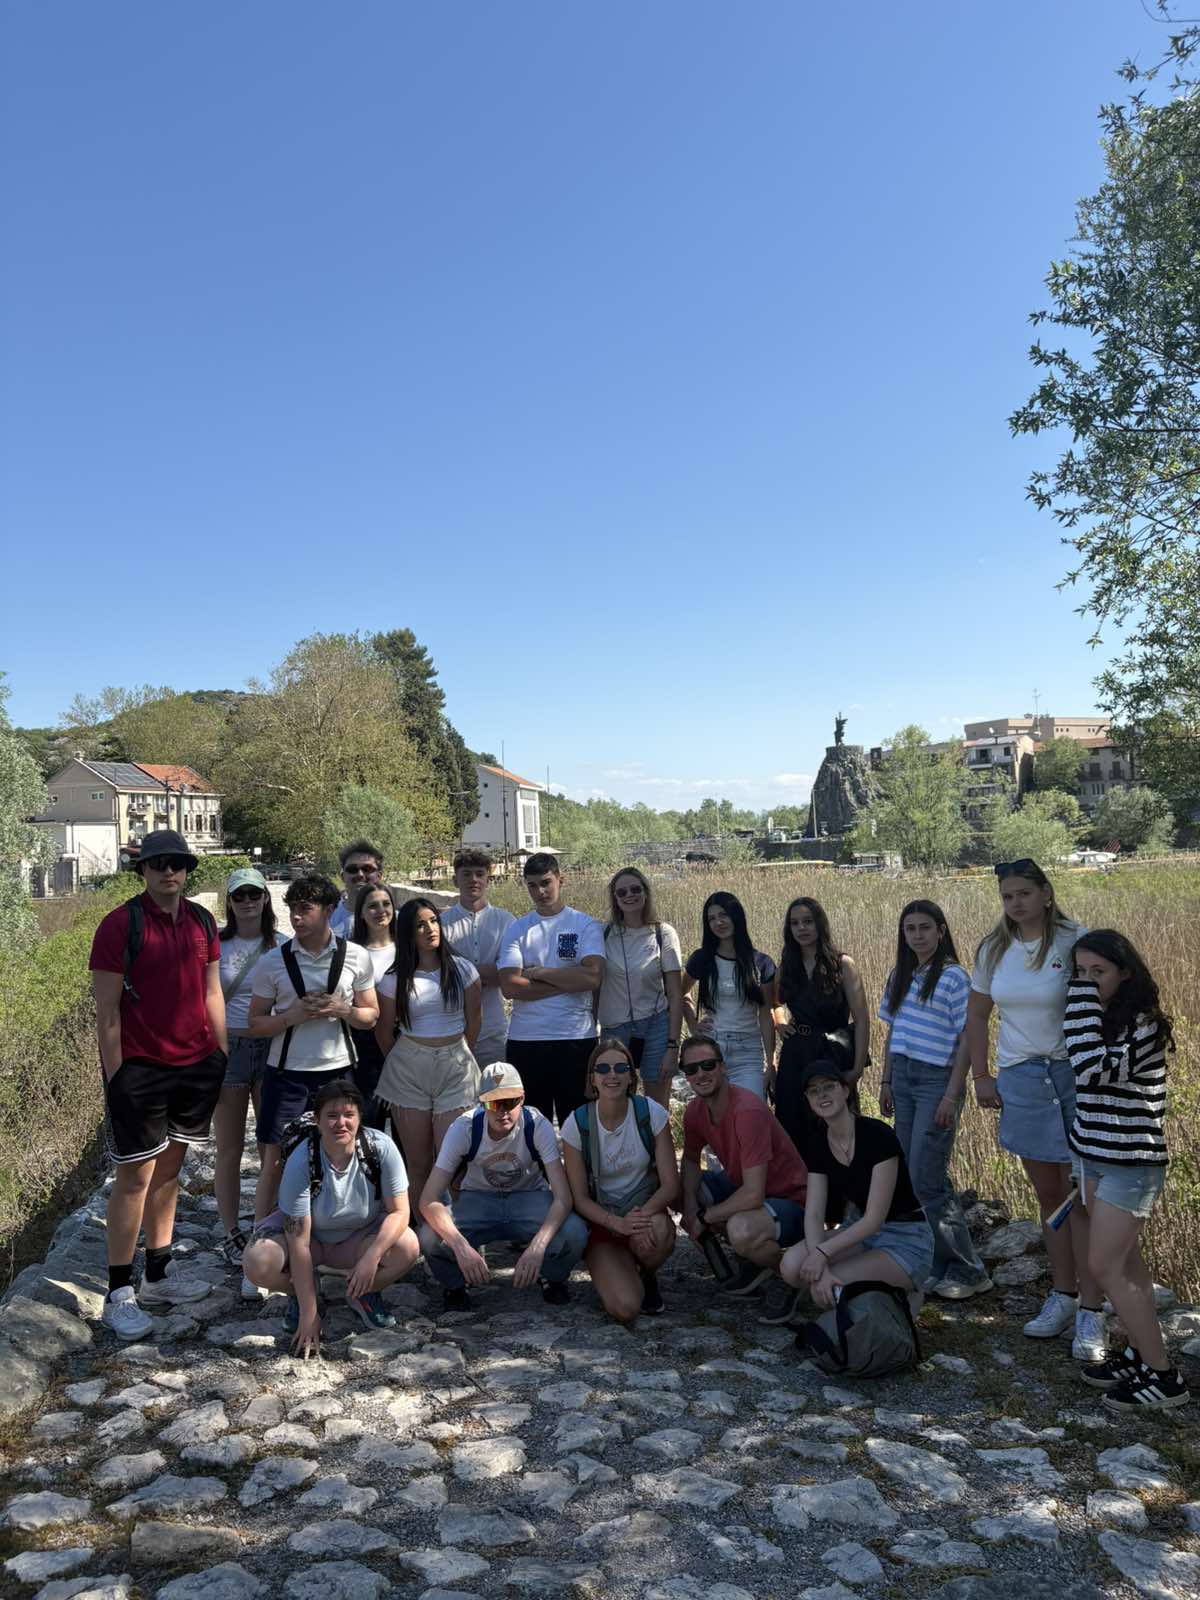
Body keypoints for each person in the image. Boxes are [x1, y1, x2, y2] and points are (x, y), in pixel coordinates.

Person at [89, 829, 227, 1340]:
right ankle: (118, 1292)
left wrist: (220, 1053)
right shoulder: (119, 925)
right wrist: (117, 1077)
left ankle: (160, 1272)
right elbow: (107, 1013)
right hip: (141, 1068)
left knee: (170, 1170)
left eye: (177, 863)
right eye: (158, 863)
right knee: (134, 1177)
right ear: (142, 870)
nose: (169, 871)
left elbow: (211, 991)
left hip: (195, 1064)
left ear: (187, 869)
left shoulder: (202, 921)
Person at [967, 860, 1102, 1357]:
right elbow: (978, 1014)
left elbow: (1106, 1000)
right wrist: (981, 1075)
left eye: (1024, 893)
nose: (1015, 903)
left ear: (1046, 893)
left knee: (1085, 1196)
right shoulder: (993, 948)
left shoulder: (1075, 941)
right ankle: (1063, 1296)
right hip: (1021, 1078)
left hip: (1072, 1076)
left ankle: (1093, 1311)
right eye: (1007, 896)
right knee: (1050, 1196)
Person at [1064, 931, 1187, 1411]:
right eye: (1079, 973)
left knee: (1105, 1266)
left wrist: (1078, 1005)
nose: (1087, 982)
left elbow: (1091, 1070)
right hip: (1093, 1155)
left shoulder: (1145, 1025)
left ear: (1126, 972)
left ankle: (1165, 1377)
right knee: (1128, 1265)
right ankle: (1139, 1353)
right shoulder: (1097, 1017)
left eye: (1098, 972)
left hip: (1131, 1164)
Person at [242, 1079, 420, 1352]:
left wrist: (371, 1258)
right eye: (332, 1115)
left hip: (360, 1238)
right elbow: (299, 1242)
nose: (341, 1123)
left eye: (349, 1114)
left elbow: (400, 1211)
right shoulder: (303, 1159)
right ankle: (302, 1293)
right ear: (317, 1120)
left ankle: (363, 1292)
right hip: (311, 1240)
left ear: (360, 1118)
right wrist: (309, 1315)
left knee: (408, 1246)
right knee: (257, 1260)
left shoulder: (380, 1148)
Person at [878, 900, 991, 1300]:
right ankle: (935, 1262)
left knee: (927, 1177)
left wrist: (951, 1094)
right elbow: (893, 1031)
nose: (917, 936)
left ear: (941, 931)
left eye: (925, 927)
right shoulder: (900, 974)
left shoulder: (955, 977)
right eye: (910, 929)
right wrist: (886, 1080)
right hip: (904, 1076)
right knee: (911, 1175)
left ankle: (968, 1269)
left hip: (936, 1079)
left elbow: (967, 1038)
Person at [249, 875, 378, 1225]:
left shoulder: (356, 956)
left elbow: (371, 1016)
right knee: (275, 1159)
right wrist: (291, 1017)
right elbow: (255, 1023)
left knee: (344, 1154)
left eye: (305, 908)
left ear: (329, 910)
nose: (296, 916)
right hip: (286, 1073)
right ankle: (262, 1235)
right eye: (292, 908)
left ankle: (340, 1229)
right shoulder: (272, 962)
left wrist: (343, 1010)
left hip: (339, 1072)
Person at [418, 1062, 588, 1313]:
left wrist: (537, 1247)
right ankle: (456, 1283)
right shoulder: (464, 1128)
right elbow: (429, 1199)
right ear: (481, 1103)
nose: (502, 1112)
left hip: (529, 1198)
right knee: (429, 1236)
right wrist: (460, 1246)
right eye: (493, 1104)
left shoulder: (537, 1125)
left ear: (522, 1099)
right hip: (478, 1200)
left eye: (510, 1102)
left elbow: (563, 1198)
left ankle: (551, 1276)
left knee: (575, 1232)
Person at [780, 1060, 934, 1312]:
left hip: (904, 1235)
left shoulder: (878, 1135)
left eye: (828, 1086)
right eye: (814, 1091)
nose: (822, 1095)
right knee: (791, 1267)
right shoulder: (817, 1142)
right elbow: (815, 1213)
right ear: (808, 1099)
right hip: (858, 1230)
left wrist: (822, 1254)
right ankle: (879, 1286)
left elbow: (875, 1219)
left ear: (845, 1090)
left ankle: (906, 1291)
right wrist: (820, 1261)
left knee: (830, 1289)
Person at [679, 1035, 808, 1303]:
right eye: (691, 1069)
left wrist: (704, 1218)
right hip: (744, 1186)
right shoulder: (694, 1111)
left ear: (723, 1067)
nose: (700, 1074)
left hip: (793, 1201)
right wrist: (690, 1208)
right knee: (675, 1188)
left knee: (741, 1229)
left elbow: (753, 1195)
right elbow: (690, 1160)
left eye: (708, 1065)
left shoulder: (747, 1111)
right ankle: (753, 1259)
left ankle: (794, 1275)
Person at [561, 1037, 680, 1322]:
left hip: (642, 1210)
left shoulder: (651, 1113)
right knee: (625, 1309)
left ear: (630, 1077)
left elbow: (670, 1184)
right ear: (592, 1079)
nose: (611, 1075)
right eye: (602, 1069)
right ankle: (620, 1268)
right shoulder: (576, 1124)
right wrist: (616, 1224)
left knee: (660, 1230)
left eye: (620, 1068)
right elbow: (579, 1198)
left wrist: (638, 1218)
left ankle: (647, 1273)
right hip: (603, 1222)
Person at [375, 897, 482, 1207]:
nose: (430, 929)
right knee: (418, 1163)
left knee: (455, 1162)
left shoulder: (463, 969)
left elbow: (475, 1021)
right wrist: (407, 1060)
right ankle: (426, 1231)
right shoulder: (393, 978)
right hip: (409, 1067)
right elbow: (383, 1031)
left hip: (456, 1065)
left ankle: (462, 1229)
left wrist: (459, 1052)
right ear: (407, 933)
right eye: (420, 925)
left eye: (434, 921)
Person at [213, 866, 287, 1296]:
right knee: (229, 1147)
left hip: (271, 1045)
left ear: (264, 898)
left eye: (253, 894)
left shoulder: (281, 945)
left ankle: (266, 1226)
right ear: (229, 901)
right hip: (229, 1048)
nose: (247, 901)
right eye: (239, 895)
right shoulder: (216, 945)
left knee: (270, 1146)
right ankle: (230, 1231)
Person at [498, 853, 604, 1123]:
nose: (540, 892)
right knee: (531, 1126)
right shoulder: (517, 929)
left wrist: (541, 973)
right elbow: (509, 986)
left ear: (561, 880)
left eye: (546, 883)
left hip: (575, 1038)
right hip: (526, 1039)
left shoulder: (585, 925)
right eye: (532, 885)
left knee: (578, 1124)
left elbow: (593, 977)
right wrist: (569, 981)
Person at [770, 897, 868, 1147]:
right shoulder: (787, 966)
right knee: (792, 1125)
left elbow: (862, 1020)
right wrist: (780, 1021)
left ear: (820, 924)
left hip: (832, 1053)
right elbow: (773, 1002)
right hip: (796, 1053)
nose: (801, 928)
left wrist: (857, 1068)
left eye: (808, 921)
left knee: (837, 1127)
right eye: (795, 923)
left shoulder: (842, 964)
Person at [595, 866, 684, 1109]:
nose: (629, 896)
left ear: (646, 892)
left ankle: (657, 1137)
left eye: (635, 889)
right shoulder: (603, 934)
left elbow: (675, 994)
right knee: (616, 1103)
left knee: (657, 1107)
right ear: (615, 898)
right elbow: (593, 987)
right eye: (621, 892)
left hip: (656, 1025)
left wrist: (672, 1046)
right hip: (615, 1029)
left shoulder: (663, 934)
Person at [681, 892, 776, 1098]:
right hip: (710, 1049)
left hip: (748, 1051)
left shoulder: (761, 963)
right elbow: (680, 992)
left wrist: (771, 1061)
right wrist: (693, 1025)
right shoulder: (701, 959)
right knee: (714, 1112)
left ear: (736, 916)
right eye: (712, 918)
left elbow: (766, 1013)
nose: (718, 922)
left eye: (723, 915)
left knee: (752, 1109)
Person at [441, 848, 515, 1068]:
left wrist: (461, 971)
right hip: (451, 1030)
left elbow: (509, 976)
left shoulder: (506, 922)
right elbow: (441, 976)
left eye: (479, 874)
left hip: (494, 1030)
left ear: (488, 879)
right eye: (466, 874)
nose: (473, 879)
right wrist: (489, 972)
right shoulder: (441, 924)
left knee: (496, 1088)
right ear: (455, 880)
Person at [349, 883, 399, 1131]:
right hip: (364, 1044)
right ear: (360, 913)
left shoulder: (408, 948)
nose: (381, 911)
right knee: (368, 1120)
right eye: (372, 906)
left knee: (405, 1122)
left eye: (386, 904)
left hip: (404, 1040)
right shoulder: (350, 952)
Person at [329, 840, 384, 939]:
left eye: (367, 869)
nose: (360, 874)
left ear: (379, 875)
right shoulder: (328, 917)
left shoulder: (396, 919)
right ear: (343, 876)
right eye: (352, 869)